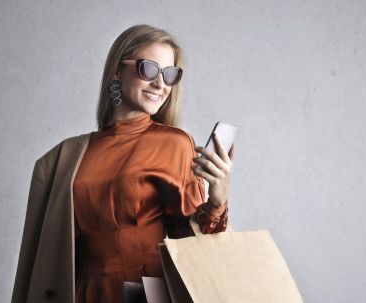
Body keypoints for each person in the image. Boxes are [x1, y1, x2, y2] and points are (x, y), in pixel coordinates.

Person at [12, 24, 235, 303]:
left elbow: (188, 240)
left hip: (147, 294)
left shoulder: (174, 143)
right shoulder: (60, 159)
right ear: (118, 70)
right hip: (82, 293)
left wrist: (217, 201)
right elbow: (41, 256)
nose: (160, 84)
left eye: (169, 75)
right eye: (149, 69)